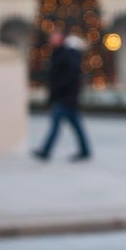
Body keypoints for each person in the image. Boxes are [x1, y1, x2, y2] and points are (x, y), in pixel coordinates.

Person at [34, 31, 91, 161]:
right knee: (75, 125)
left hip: (64, 97)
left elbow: (70, 77)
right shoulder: (60, 53)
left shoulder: (67, 54)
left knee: (55, 125)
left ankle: (45, 151)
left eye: (53, 37)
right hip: (65, 97)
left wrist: (60, 90)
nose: (50, 40)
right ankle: (85, 150)